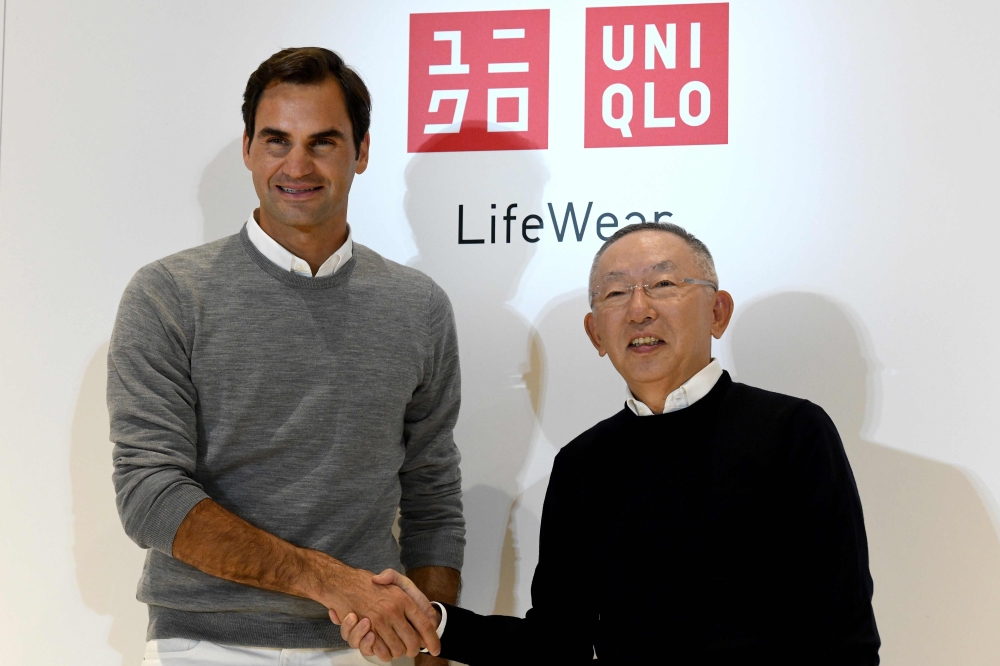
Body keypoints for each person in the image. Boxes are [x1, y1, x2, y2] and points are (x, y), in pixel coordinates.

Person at [340, 222, 881, 664]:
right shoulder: (583, 465)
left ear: (718, 312)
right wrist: (436, 622)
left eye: (664, 285)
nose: (639, 309)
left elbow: (846, 638)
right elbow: (557, 643)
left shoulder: (794, 432)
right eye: (617, 293)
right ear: (596, 333)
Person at [108, 47, 462, 665]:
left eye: (323, 142)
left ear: (363, 151)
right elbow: (149, 494)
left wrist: (428, 642)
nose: (297, 165)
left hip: (368, 647)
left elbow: (431, 489)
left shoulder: (418, 307)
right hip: (205, 643)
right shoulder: (168, 294)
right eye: (277, 140)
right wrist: (332, 581)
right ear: (248, 148)